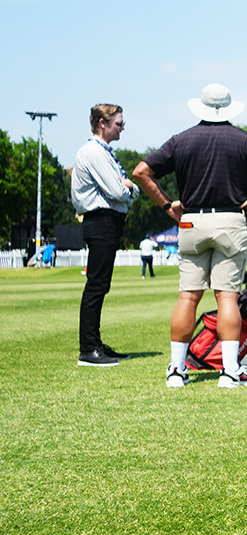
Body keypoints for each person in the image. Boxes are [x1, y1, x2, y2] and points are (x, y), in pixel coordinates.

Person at [131, 83, 247, 388]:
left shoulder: (181, 140)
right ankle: (229, 371)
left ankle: (176, 370)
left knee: (188, 296)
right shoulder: (244, 139)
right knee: (227, 295)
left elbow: (141, 172)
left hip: (191, 222)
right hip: (230, 220)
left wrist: (166, 205)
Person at [71, 103, 139, 367]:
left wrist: (127, 188)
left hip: (105, 221)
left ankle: (95, 343)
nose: (123, 127)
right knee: (97, 285)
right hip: (101, 221)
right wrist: (130, 188)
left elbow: (122, 190)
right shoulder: (95, 153)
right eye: (119, 123)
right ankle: (88, 349)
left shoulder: (101, 152)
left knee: (100, 284)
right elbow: (118, 191)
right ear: (102, 122)